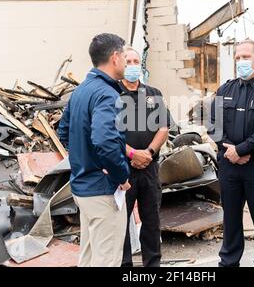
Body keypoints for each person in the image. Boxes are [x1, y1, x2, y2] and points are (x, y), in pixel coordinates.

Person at [209, 39, 254, 267]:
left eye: (246, 57)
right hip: (229, 167)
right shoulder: (225, 89)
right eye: (238, 58)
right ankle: (229, 261)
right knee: (231, 218)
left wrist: (241, 150)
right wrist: (230, 150)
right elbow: (213, 124)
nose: (241, 61)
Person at [57, 33, 131, 267]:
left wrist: (83, 158)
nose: (128, 64)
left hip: (82, 188)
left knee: (89, 259)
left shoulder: (81, 91)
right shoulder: (106, 94)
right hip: (102, 192)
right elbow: (104, 140)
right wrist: (120, 175)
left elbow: (63, 132)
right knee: (106, 261)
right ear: (115, 57)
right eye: (126, 58)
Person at [119, 46, 173, 267]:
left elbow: (164, 127)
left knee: (151, 220)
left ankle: (153, 265)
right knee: (121, 223)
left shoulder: (154, 93)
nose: (132, 66)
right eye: (127, 61)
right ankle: (125, 265)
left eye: (135, 61)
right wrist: (132, 153)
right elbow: (109, 134)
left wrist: (149, 153)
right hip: (123, 169)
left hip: (150, 168)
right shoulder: (112, 93)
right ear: (121, 64)